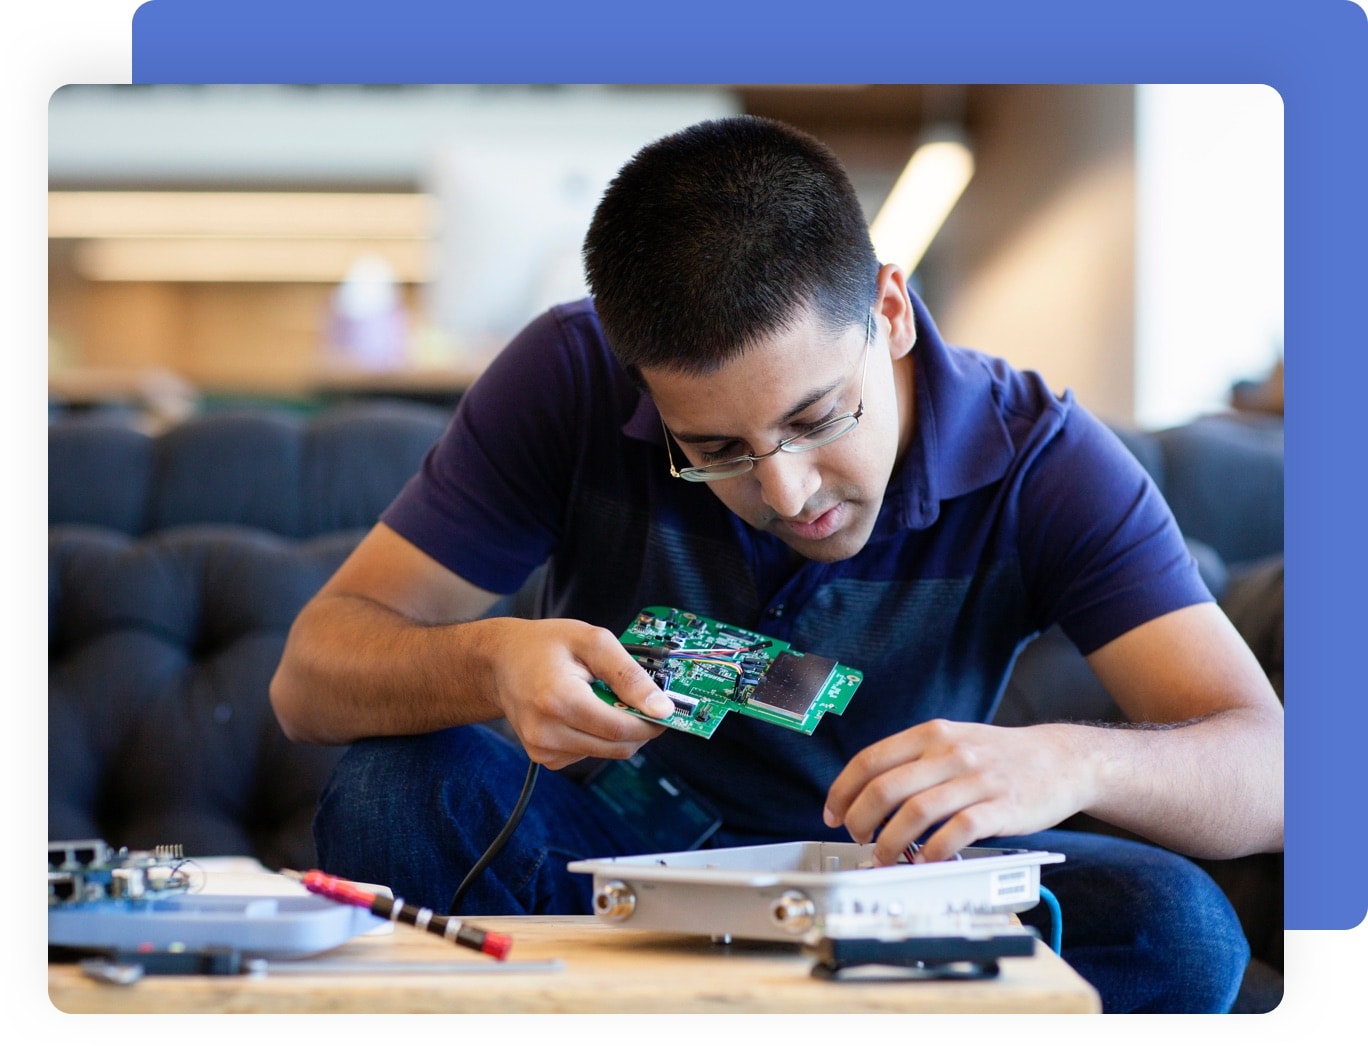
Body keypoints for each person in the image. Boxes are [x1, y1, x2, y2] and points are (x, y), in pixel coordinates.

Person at [270, 115, 1283, 1013]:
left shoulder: (1043, 458)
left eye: (816, 416)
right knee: (401, 787)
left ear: (889, 308)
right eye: (712, 450)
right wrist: (489, 659)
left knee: (1174, 925)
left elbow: (1279, 774)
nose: (789, 493)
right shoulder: (566, 375)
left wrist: (1070, 761)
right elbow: (308, 677)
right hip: (613, 853)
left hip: (893, 881)